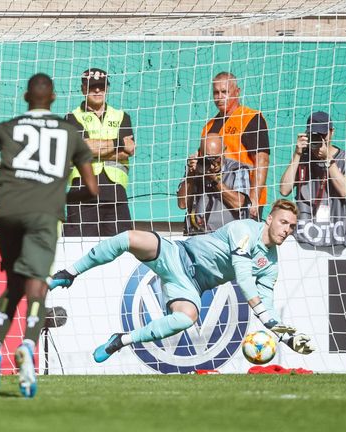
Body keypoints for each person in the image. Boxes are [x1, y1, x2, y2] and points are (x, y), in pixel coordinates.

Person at [0, 73, 98, 398]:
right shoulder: (70, 133)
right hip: (43, 216)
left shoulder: (7, 127)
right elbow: (92, 189)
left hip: (7, 212)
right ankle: (28, 349)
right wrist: (57, 196)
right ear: (53, 98)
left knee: (13, 285)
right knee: (37, 287)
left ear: (25, 98)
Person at [48, 199, 316, 362]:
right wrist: (268, 319)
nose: (286, 230)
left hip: (190, 286)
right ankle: (68, 273)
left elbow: (266, 303)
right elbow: (243, 276)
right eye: (283, 222)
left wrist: (283, 335)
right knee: (129, 238)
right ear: (269, 219)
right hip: (176, 255)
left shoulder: (271, 264)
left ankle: (121, 340)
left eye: (291, 227)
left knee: (186, 317)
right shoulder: (243, 229)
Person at [63, 67, 135, 236]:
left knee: (121, 249)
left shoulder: (122, 116)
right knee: (79, 250)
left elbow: (128, 151)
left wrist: (93, 148)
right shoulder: (71, 118)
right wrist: (118, 143)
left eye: (101, 86)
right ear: (82, 89)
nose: (97, 90)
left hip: (115, 194)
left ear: (107, 89)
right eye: (91, 86)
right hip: (82, 192)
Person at [279, 111, 346, 247]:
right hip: (306, 236)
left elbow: (345, 190)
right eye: (314, 135)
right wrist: (297, 154)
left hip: (341, 235)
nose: (320, 139)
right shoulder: (302, 159)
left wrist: (327, 158)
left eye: (323, 135)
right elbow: (284, 190)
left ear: (332, 132)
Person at [201, 72, 269, 220]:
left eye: (224, 92)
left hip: (242, 198)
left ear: (237, 92)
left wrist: (254, 199)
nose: (219, 97)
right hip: (217, 196)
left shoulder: (251, 118)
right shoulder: (208, 127)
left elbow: (262, 160)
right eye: (216, 93)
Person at [177, 133, 251, 235]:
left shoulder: (237, 169)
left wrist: (213, 179)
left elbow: (238, 203)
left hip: (229, 238)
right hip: (198, 238)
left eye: (216, 158)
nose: (213, 163)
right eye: (208, 158)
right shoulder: (195, 169)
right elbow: (182, 204)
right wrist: (191, 175)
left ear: (224, 152)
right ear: (199, 153)